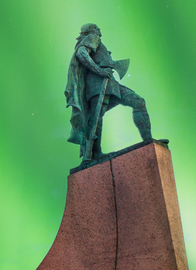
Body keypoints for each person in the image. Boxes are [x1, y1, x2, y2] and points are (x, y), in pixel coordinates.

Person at [64, 23, 155, 165]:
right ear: (90, 31)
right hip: (98, 84)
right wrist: (100, 71)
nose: (99, 30)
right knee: (96, 118)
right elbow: (81, 53)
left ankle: (148, 141)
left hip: (109, 83)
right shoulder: (92, 38)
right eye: (96, 27)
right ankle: (94, 154)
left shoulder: (96, 41)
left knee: (137, 102)